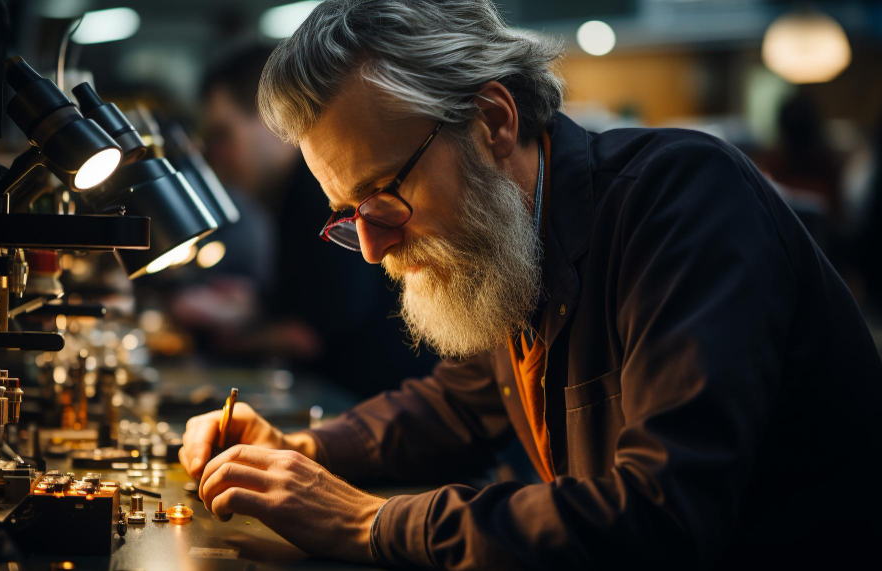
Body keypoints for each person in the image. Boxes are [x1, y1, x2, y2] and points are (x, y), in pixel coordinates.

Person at [178, 1, 882, 568]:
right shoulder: (517, 238)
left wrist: (368, 520)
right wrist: (304, 452)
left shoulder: (684, 200)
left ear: (492, 122)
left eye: (383, 195)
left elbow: (661, 514)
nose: (370, 248)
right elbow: (461, 403)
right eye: (346, 214)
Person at [172, 44, 437, 396]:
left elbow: (307, 335)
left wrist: (223, 337)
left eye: (223, 135)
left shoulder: (323, 194)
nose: (216, 157)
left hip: (382, 400)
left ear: (271, 118)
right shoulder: (286, 197)